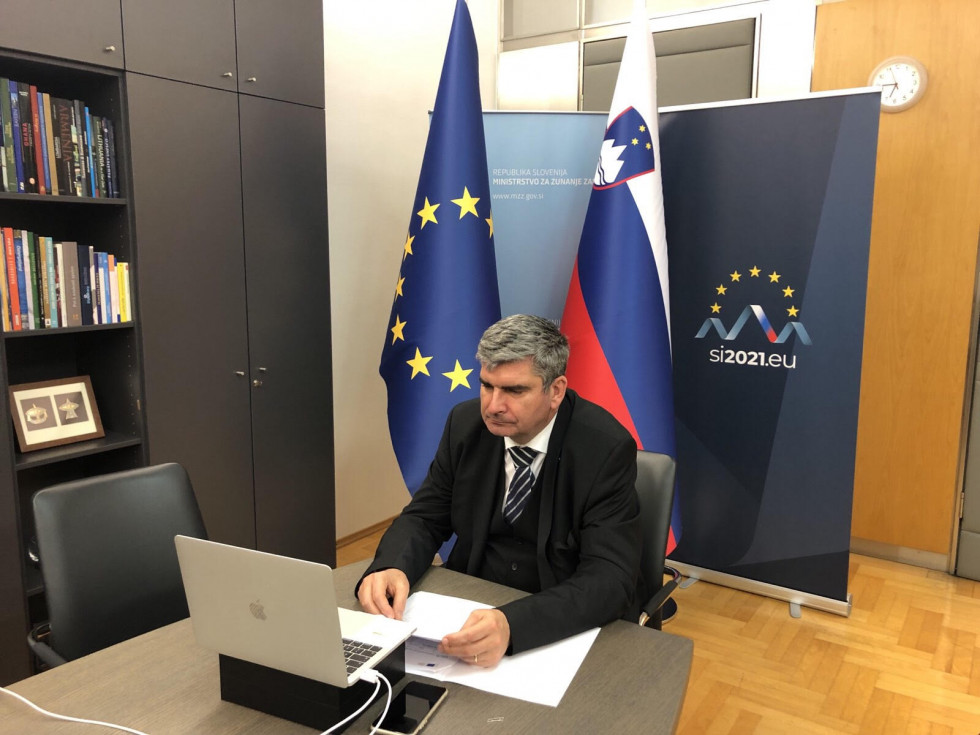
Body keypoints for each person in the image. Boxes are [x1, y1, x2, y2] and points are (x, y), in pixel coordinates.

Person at [357, 314, 642, 667]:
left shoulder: (604, 448)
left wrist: (514, 625)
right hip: (467, 604)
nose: (493, 406)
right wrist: (390, 566)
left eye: (514, 390)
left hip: (556, 618)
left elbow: (610, 578)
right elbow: (425, 517)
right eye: (487, 385)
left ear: (555, 390)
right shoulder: (465, 425)